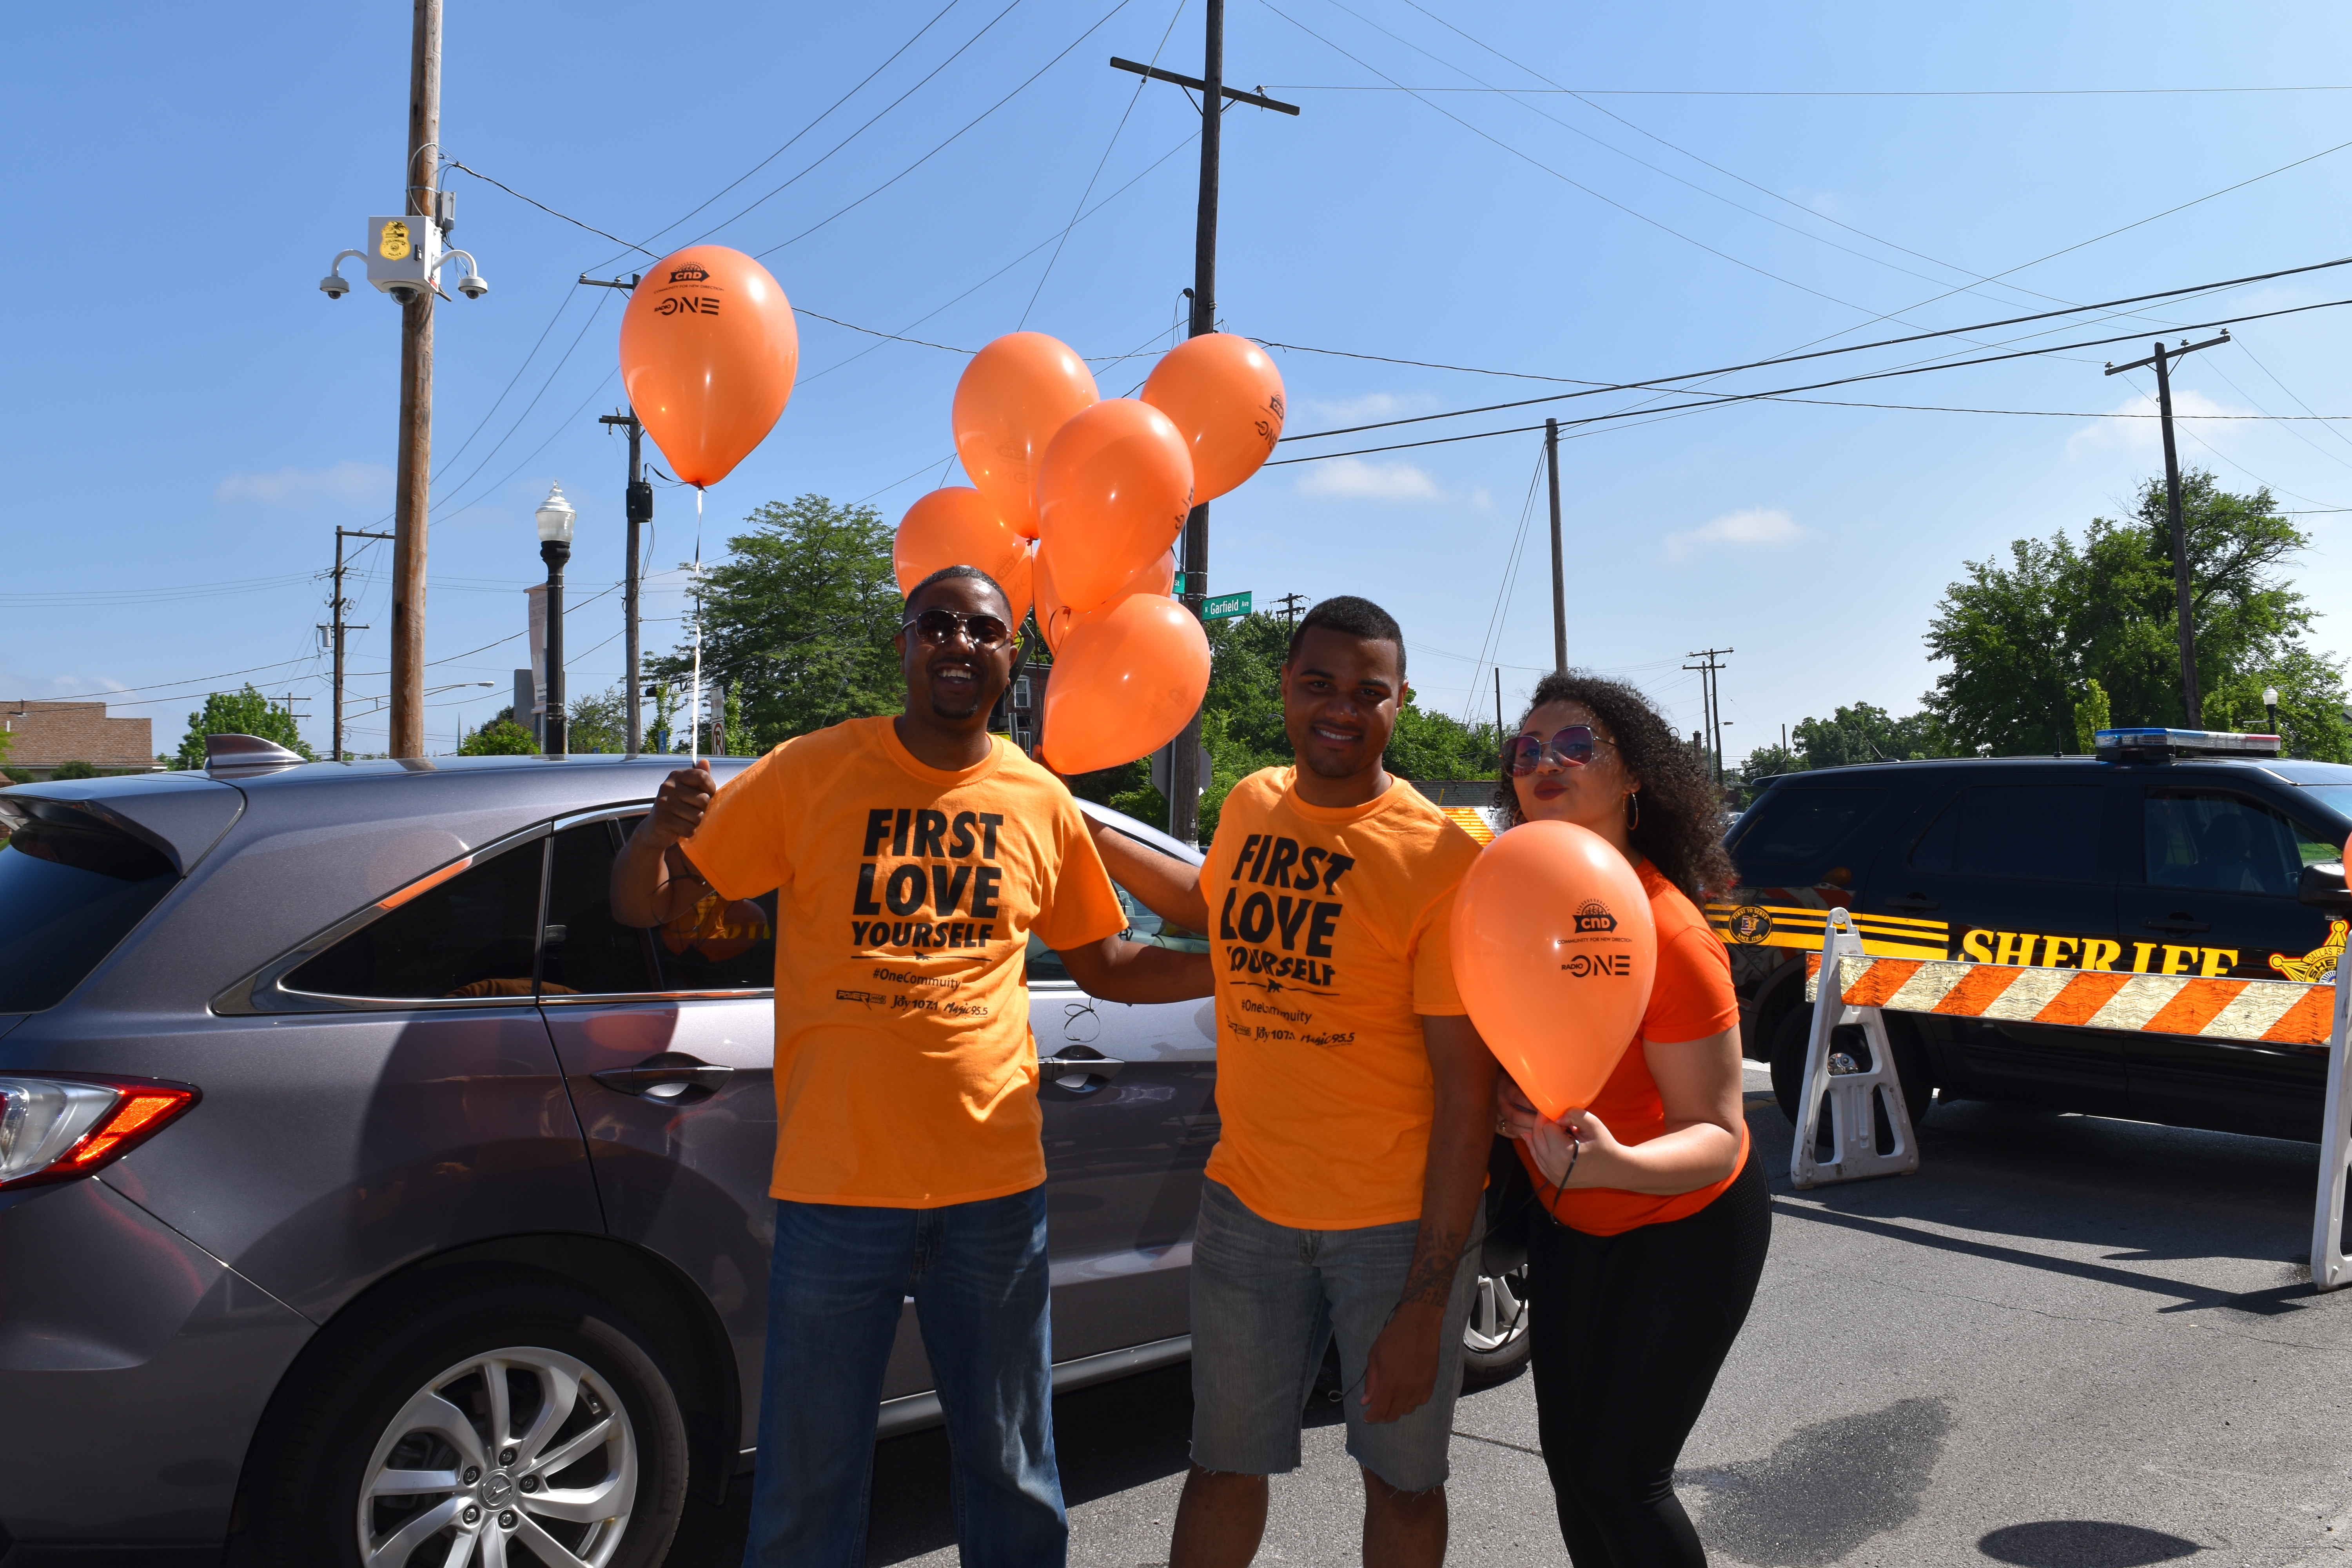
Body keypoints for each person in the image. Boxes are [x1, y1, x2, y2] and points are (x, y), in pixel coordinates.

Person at [610, 564, 1212, 1568]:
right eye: (938, 624)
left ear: (1013, 659)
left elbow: (1106, 961)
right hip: (836, 1190)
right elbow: (649, 905)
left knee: (1014, 1470)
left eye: (985, 629)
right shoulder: (813, 769)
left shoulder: (1036, 797)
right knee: (809, 1481)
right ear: (904, 644)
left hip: (995, 1190)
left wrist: (1228, 979)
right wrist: (657, 833)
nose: (961, 644)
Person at [1088, 595, 1497, 1568]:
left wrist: (1427, 1300)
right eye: (1319, 684)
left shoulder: (1443, 859)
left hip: (1392, 1229)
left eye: (1369, 692)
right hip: (1248, 1209)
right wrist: (1087, 830)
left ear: (1401, 703)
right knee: (1223, 1465)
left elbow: (1467, 1096)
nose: (1341, 709)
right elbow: (1214, 906)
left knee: (1402, 1482)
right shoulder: (1252, 800)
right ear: (1285, 686)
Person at [1491, 671, 1771, 1568]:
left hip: (1683, 1224)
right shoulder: (1506, 902)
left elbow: (1717, 1133)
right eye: (1527, 749)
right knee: (1572, 1467)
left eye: (1576, 745)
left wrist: (1613, 1163)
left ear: (1636, 776)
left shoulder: (1671, 933)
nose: (1545, 762)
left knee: (1621, 1475)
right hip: (1572, 1220)